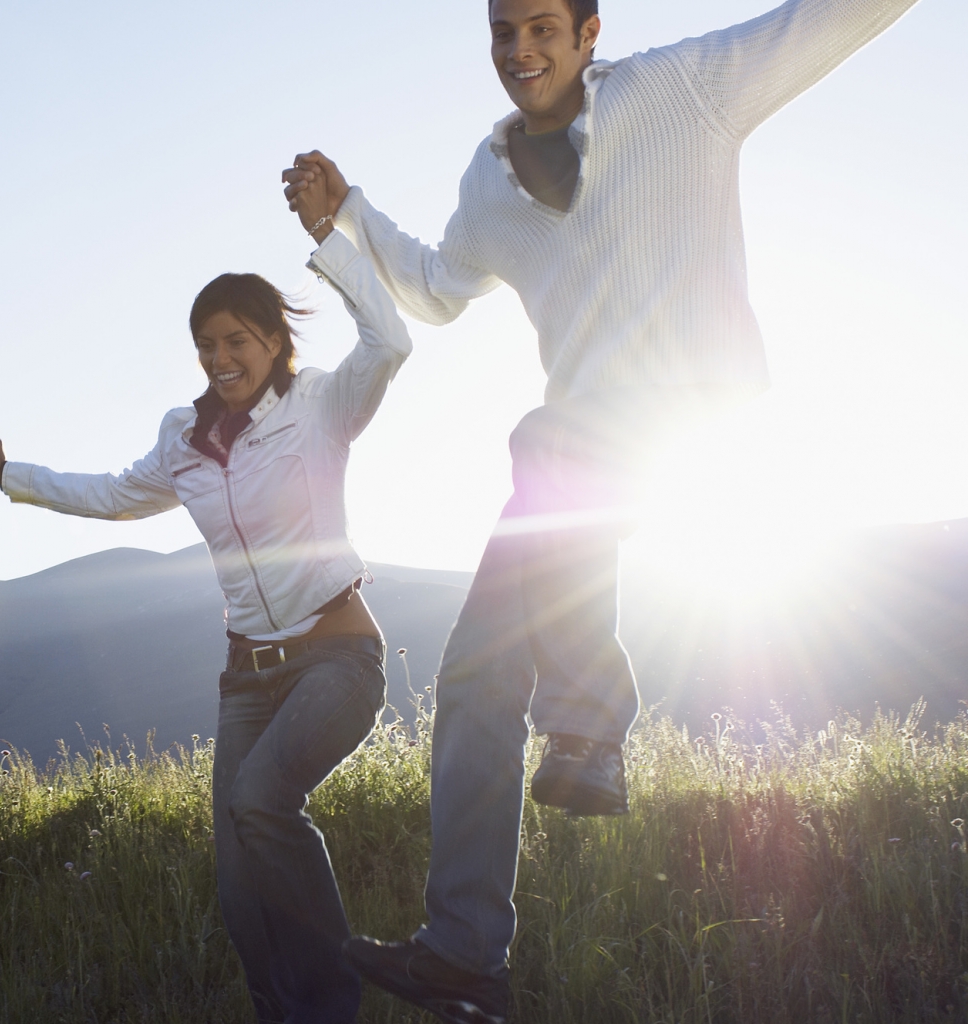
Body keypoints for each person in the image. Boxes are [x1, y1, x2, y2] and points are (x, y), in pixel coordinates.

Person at [279, 0, 920, 1020]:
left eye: (540, 27)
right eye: (501, 34)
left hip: (691, 417)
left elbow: (826, 19)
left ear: (588, 33)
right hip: (576, 470)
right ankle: (463, 950)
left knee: (546, 440)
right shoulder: (489, 180)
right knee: (475, 673)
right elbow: (441, 289)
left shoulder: (685, 89)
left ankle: (588, 727)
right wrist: (349, 211)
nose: (519, 50)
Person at [0, 193, 414, 1023]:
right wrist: (14, 477)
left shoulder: (322, 406)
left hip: (337, 657)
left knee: (262, 805)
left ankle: (333, 1004)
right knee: (238, 887)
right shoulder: (185, 439)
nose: (219, 357)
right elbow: (113, 495)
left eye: (236, 341)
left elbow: (391, 341)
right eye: (206, 344)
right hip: (247, 678)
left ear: (274, 342)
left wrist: (332, 241)